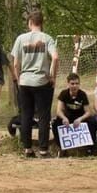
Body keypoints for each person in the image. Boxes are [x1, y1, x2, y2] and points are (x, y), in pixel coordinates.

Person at [9, 8, 58, 158]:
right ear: (41, 24)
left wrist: (18, 78)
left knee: (26, 115)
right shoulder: (47, 38)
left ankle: (27, 149)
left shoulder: (20, 39)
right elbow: (55, 57)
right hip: (42, 81)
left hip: (25, 81)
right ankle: (43, 149)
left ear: (30, 23)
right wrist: (52, 77)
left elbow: (16, 62)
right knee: (44, 116)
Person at [51, 72, 97, 155]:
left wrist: (80, 119)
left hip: (80, 118)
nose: (75, 86)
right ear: (68, 84)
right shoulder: (63, 93)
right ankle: (61, 147)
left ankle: (90, 148)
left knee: (93, 122)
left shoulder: (82, 94)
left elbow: (88, 112)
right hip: (67, 118)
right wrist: (64, 118)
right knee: (55, 123)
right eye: (72, 84)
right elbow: (58, 111)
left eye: (77, 83)